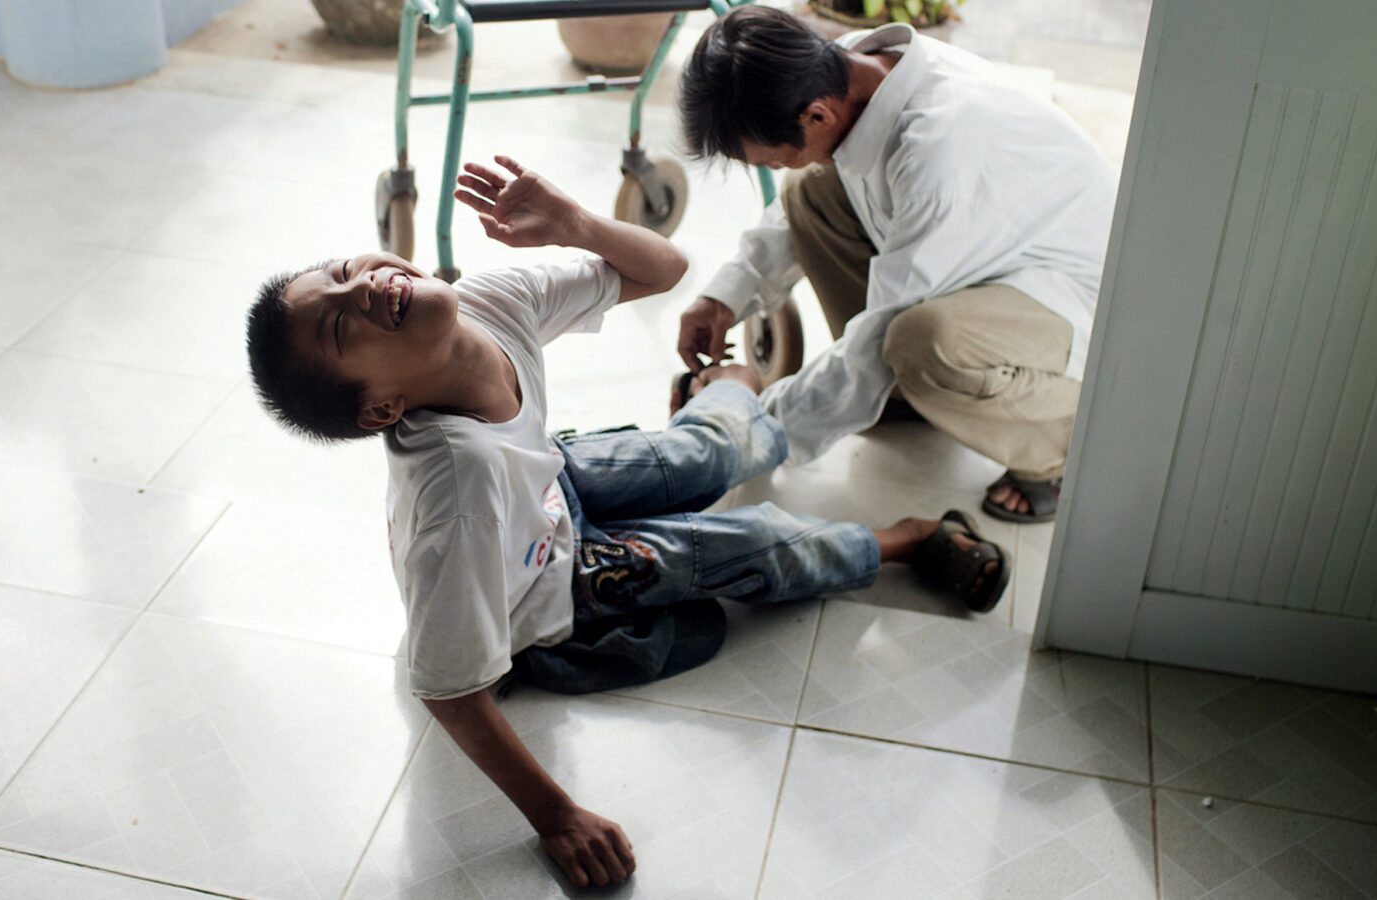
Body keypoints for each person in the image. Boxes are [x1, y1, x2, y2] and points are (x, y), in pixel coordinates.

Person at [244, 156, 1008, 888]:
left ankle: (727, 389)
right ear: (382, 409)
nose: (366, 289)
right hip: (550, 582)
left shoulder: (488, 300)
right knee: (760, 545)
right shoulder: (459, 487)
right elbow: (446, 688)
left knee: (711, 454)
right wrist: (557, 816)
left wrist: (576, 221)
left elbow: (662, 270)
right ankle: (905, 539)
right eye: (344, 329)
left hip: (551, 483)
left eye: (344, 272)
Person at [674, 6, 1118, 524]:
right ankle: (904, 399)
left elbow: (878, 333)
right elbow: (795, 215)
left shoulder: (939, 146)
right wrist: (723, 296)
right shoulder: (855, 67)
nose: (776, 167)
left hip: (1077, 298)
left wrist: (749, 421)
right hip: (985, 252)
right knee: (810, 190)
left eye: (773, 158)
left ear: (817, 114)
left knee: (919, 339)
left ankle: (1060, 453)